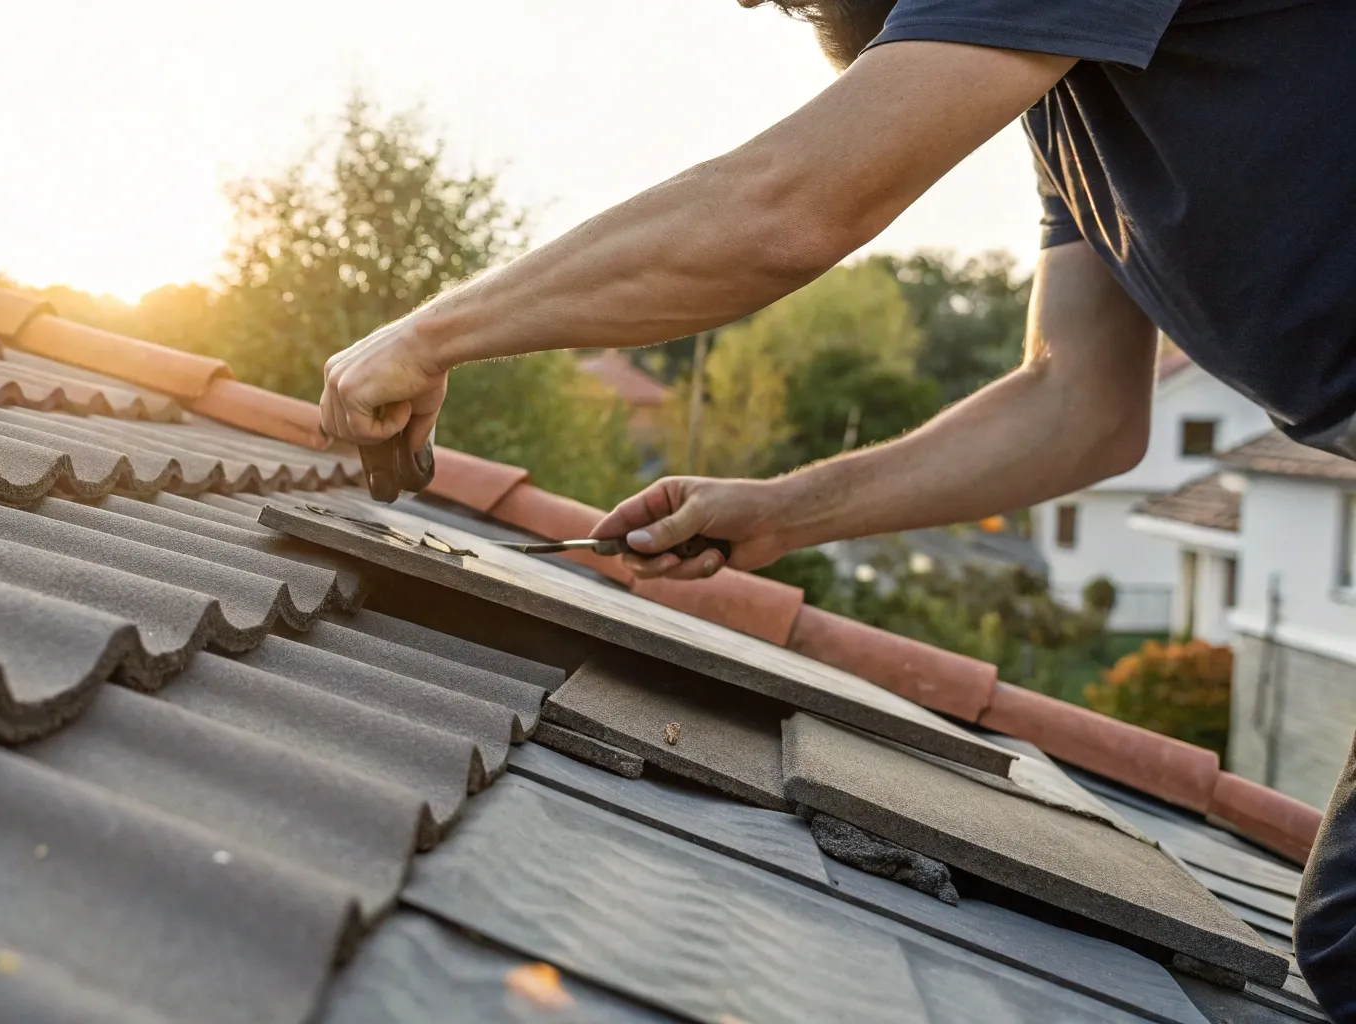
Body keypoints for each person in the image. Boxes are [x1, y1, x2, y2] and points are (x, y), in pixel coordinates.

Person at [313, 0, 1356, 1014]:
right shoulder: (1071, 98)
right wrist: (780, 510)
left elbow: (786, 207)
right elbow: (1074, 402)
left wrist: (433, 332)